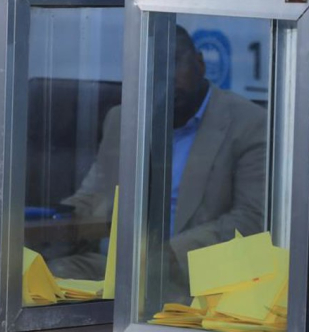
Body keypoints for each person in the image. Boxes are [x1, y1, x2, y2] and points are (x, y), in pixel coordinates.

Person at [51, 25, 267, 285]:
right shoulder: (122, 119)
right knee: (48, 277)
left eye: (174, 62)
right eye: (152, 68)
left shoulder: (249, 123)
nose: (165, 77)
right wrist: (53, 221)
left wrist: (167, 255)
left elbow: (251, 219)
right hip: (114, 265)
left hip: (191, 273)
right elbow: (94, 194)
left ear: (200, 63)